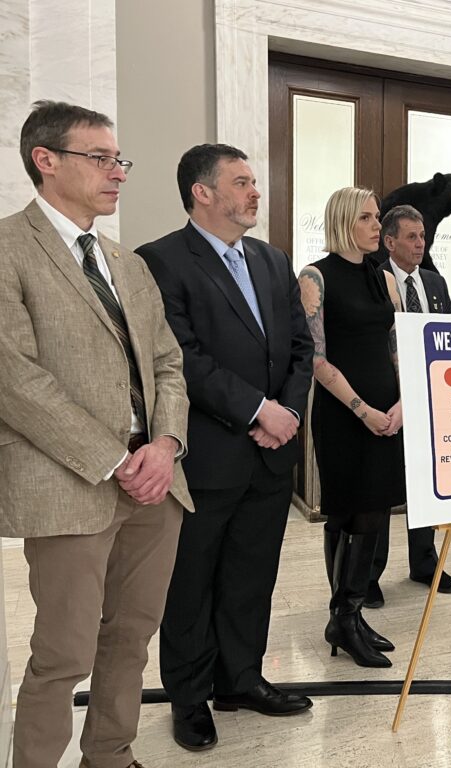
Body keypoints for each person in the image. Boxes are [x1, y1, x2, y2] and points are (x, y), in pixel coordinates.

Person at [0, 100, 192, 768]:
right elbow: (13, 379)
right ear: (45, 161)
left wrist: (164, 446)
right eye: (100, 158)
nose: (118, 173)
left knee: (132, 638)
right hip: (68, 483)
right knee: (62, 653)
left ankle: (110, 754)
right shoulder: (6, 250)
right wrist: (115, 458)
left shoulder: (126, 262)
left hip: (156, 486)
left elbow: (168, 361)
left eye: (120, 160)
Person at [137, 143, 315, 752]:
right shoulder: (160, 261)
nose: (255, 193)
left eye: (254, 182)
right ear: (202, 192)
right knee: (191, 583)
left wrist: (286, 412)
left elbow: (299, 346)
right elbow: (180, 357)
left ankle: (240, 680)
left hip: (270, 454)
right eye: (241, 183)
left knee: (250, 576)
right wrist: (255, 410)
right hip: (207, 456)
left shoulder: (271, 259)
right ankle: (188, 698)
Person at [298, 187, 405, 668]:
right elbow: (317, 360)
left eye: (377, 217)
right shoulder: (315, 277)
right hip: (345, 414)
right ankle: (342, 615)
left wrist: (404, 402)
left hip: (389, 410)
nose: (375, 226)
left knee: (376, 512)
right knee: (346, 512)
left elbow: (398, 346)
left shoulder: (387, 279)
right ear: (344, 220)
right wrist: (363, 410)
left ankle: (351, 614)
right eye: (366, 217)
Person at [368, 204, 451, 605]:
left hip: (430, 397)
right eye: (411, 237)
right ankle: (370, 572)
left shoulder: (435, 284)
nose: (421, 244)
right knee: (384, 484)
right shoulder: (374, 280)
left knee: (424, 482)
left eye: (423, 237)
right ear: (390, 242)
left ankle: (424, 562)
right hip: (387, 399)